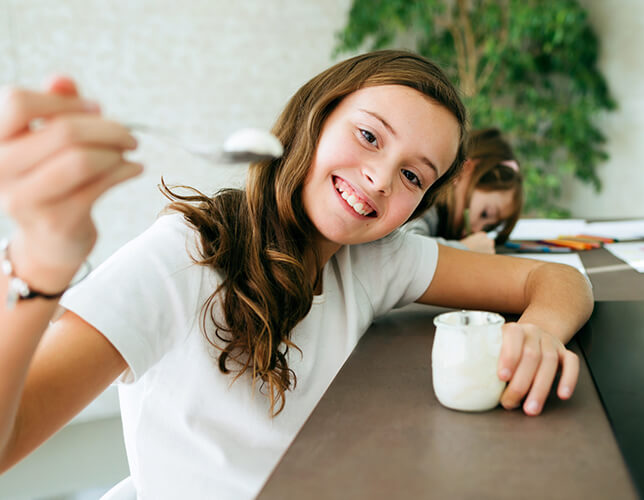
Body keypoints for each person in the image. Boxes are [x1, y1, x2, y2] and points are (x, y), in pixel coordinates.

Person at [0, 50, 593, 498]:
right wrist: (40, 261)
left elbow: (560, 281)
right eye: (368, 136)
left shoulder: (376, 258)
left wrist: (540, 331)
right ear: (315, 115)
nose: (382, 179)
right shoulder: (187, 257)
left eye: (415, 176)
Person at [404, 127, 523, 253]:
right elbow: (408, 251)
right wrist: (466, 249)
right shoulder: (423, 205)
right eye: (485, 214)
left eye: (488, 228)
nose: (477, 231)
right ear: (464, 172)